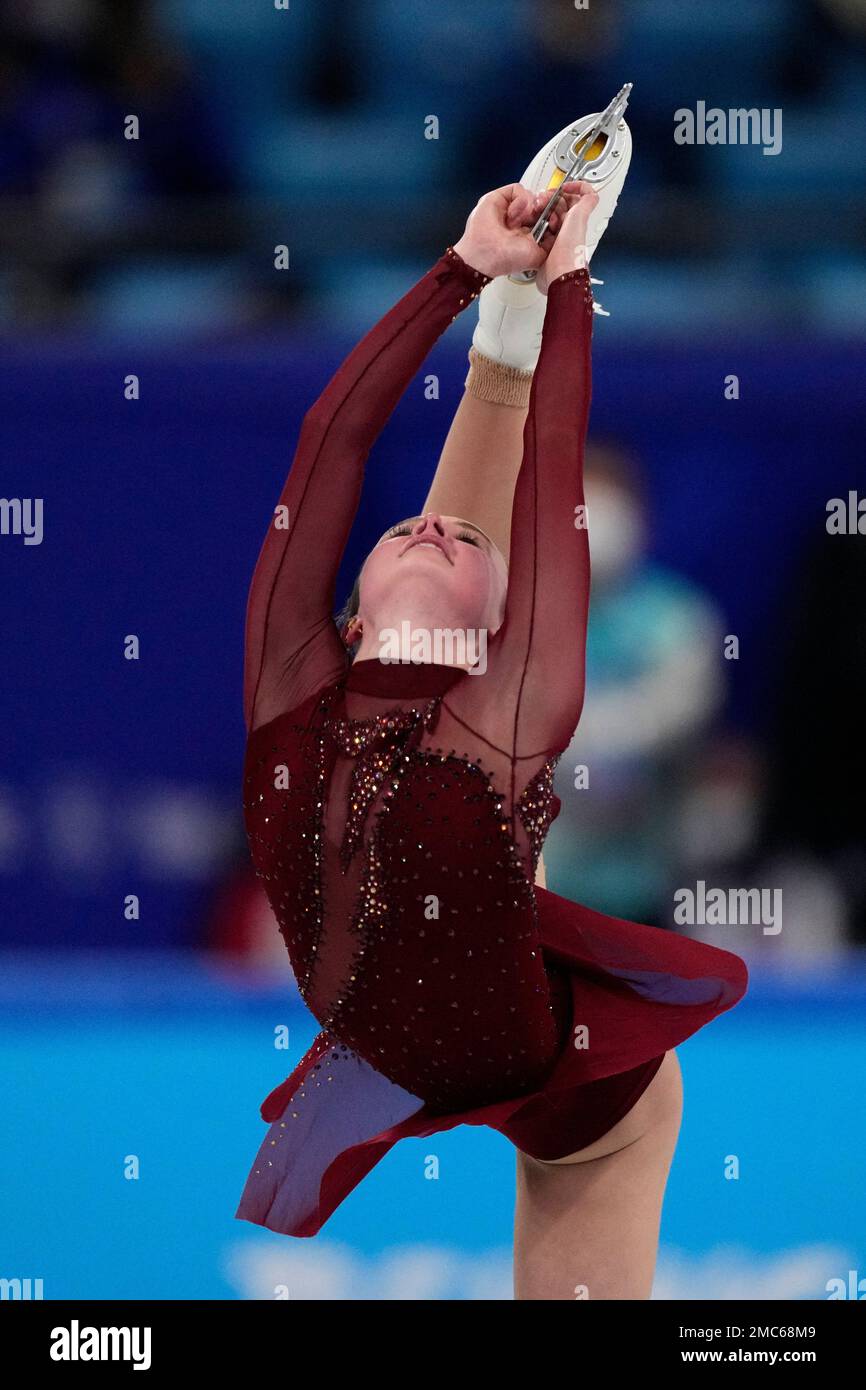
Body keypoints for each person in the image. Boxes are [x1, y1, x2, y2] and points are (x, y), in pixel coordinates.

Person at [234, 167, 748, 1300]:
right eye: (416, 534)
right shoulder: (292, 678)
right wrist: (466, 272)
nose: (428, 528)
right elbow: (332, 435)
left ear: (494, 629)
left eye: (462, 551)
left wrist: (564, 295)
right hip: (403, 992)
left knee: (620, 1101)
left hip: (523, 1038)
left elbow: (555, 492)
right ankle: (493, 364)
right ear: (351, 610)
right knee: (486, 841)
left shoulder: (500, 718)